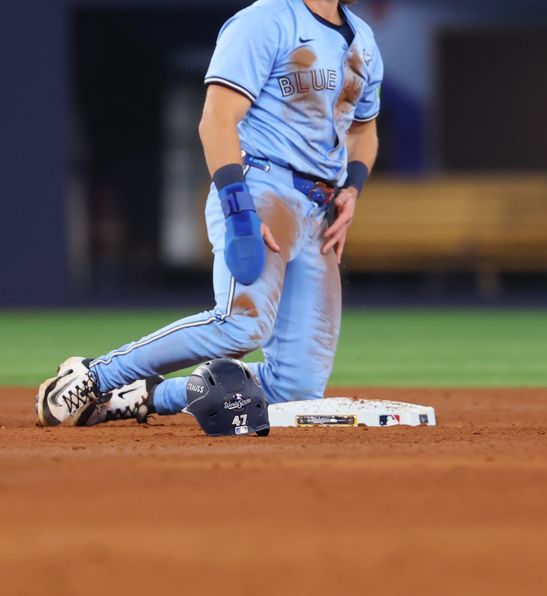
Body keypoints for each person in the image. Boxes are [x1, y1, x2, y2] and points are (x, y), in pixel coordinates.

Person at [35, 0, 384, 428]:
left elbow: (364, 130)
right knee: (241, 327)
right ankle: (94, 376)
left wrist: (353, 187)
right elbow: (216, 119)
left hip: (320, 211)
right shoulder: (266, 19)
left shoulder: (362, 40)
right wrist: (240, 208)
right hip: (263, 186)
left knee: (294, 389)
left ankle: (144, 397)